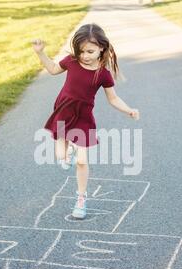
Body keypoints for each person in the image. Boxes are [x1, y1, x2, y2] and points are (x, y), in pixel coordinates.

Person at [32, 23, 139, 219]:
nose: (85, 55)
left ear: (101, 48)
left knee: (82, 161)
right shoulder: (72, 61)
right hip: (63, 112)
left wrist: (128, 110)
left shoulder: (103, 74)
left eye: (90, 51)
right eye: (81, 51)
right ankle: (68, 150)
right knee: (60, 157)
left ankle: (81, 198)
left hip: (83, 117)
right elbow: (54, 69)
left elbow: (113, 98)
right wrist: (41, 54)